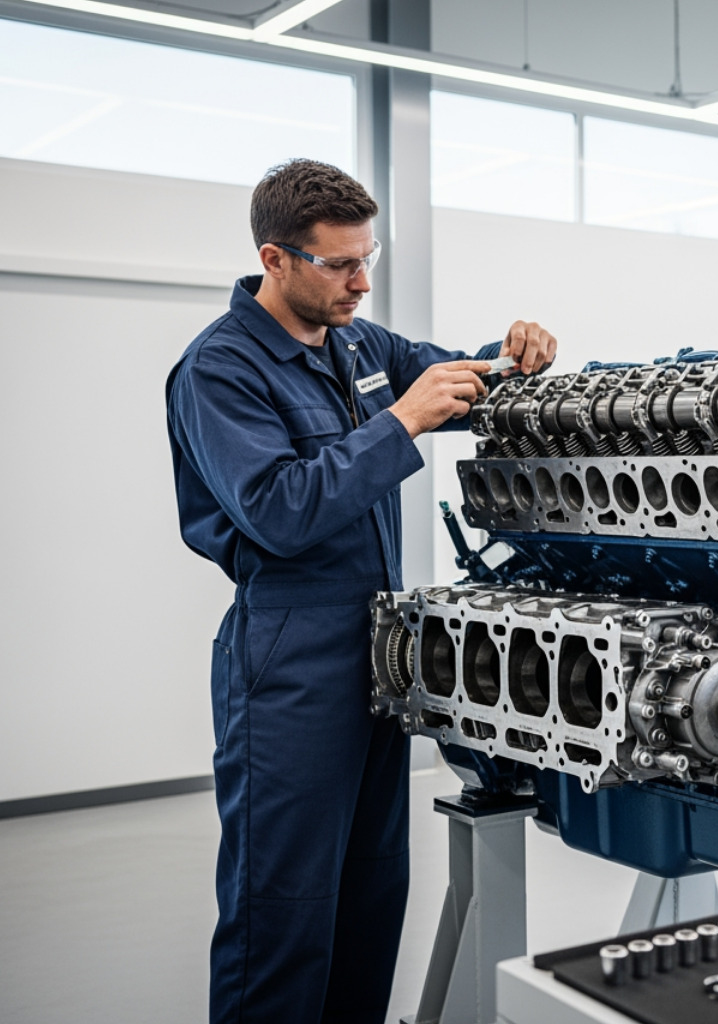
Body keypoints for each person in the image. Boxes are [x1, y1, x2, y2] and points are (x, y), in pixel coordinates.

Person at [166, 158, 556, 1023]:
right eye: (341, 265)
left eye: (367, 257)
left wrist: (514, 355)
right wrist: (402, 422)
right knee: (284, 914)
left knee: (372, 899)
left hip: (379, 652)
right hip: (290, 662)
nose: (362, 282)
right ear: (276, 260)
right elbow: (278, 511)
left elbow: (463, 381)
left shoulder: (360, 346)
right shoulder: (219, 371)